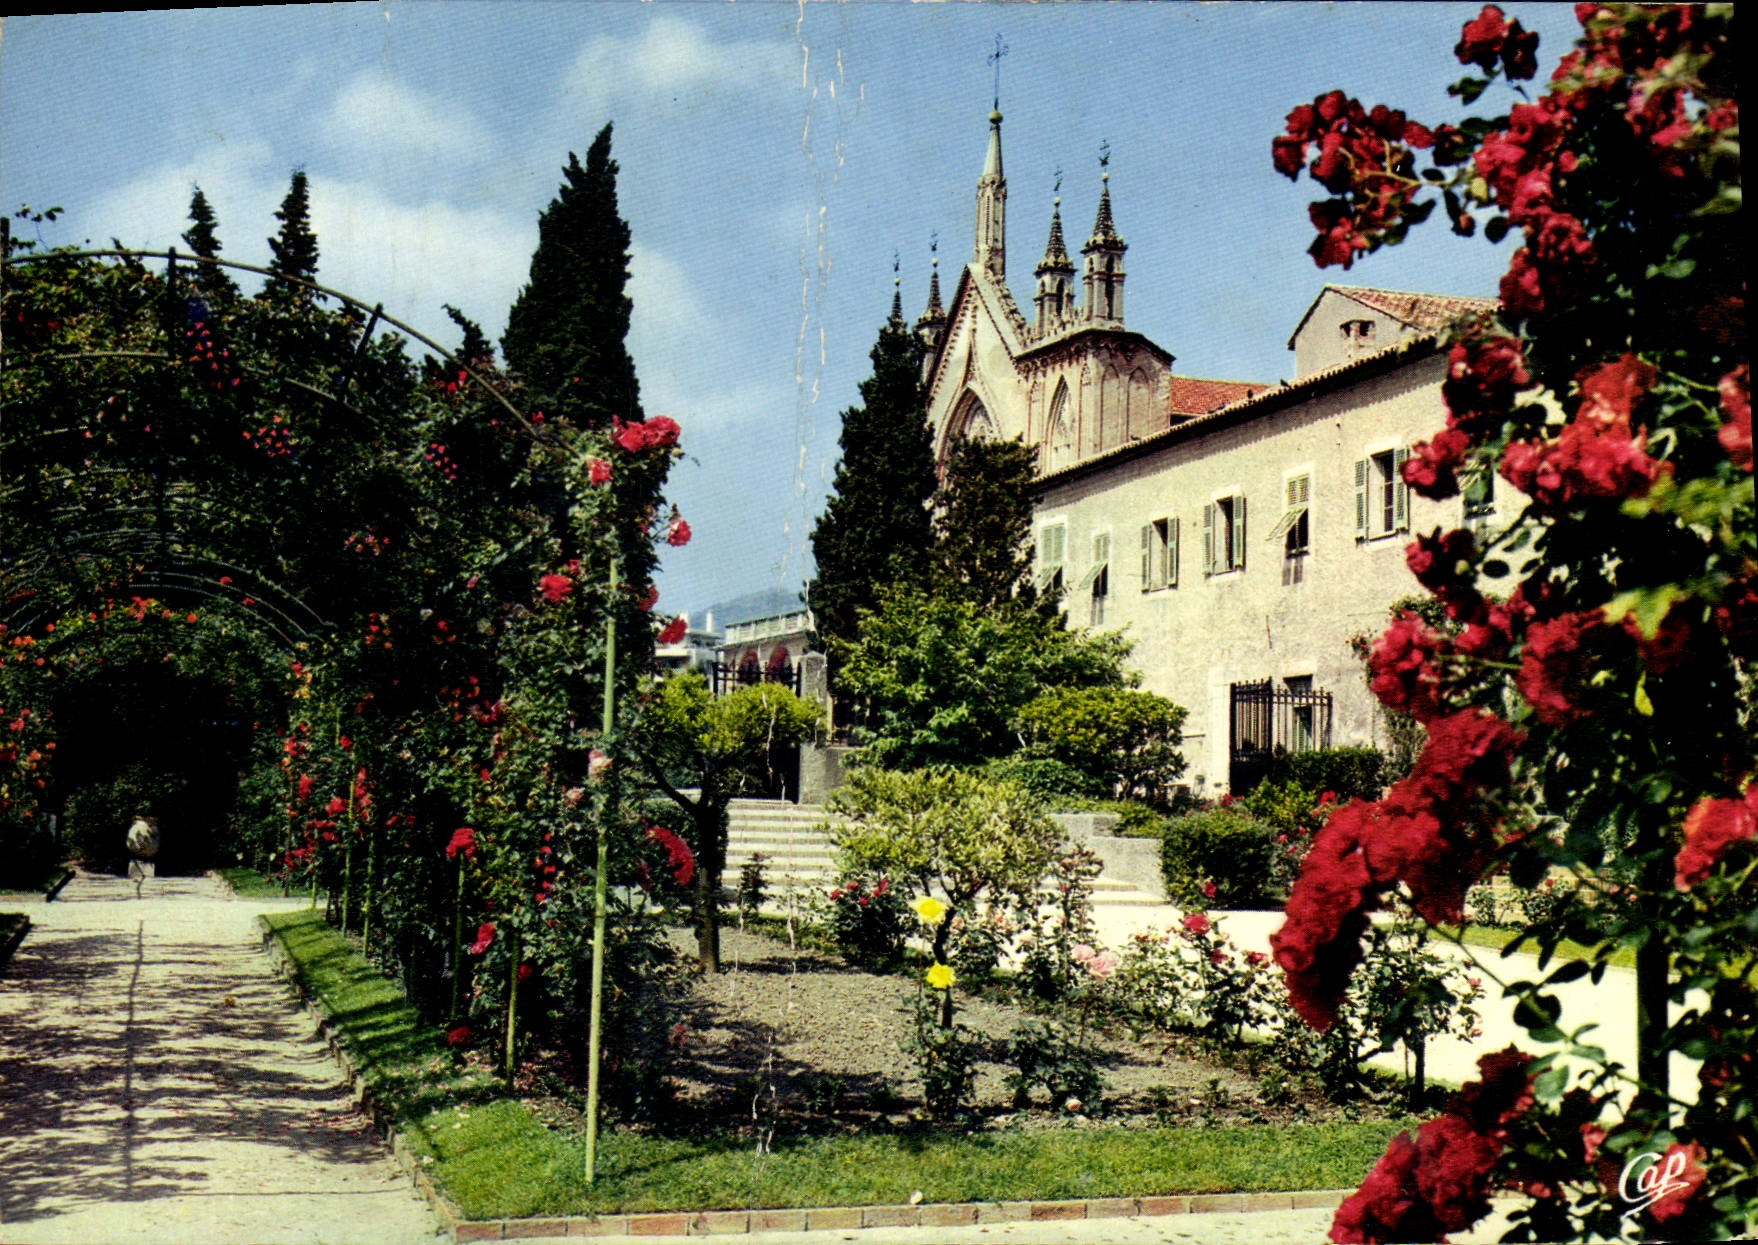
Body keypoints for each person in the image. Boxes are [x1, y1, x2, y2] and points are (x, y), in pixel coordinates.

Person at [125, 814, 160, 897]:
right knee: (145, 886)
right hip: (144, 859)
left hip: (140, 858)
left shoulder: (141, 827)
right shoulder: (144, 827)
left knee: (137, 886)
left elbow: (134, 840)